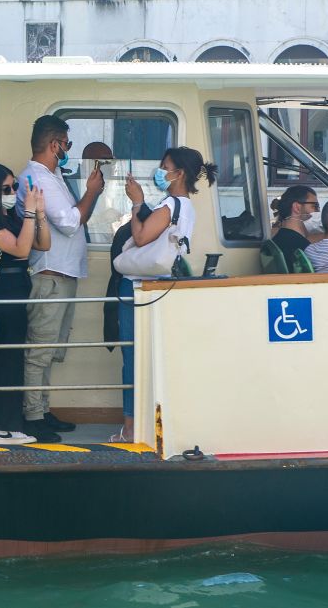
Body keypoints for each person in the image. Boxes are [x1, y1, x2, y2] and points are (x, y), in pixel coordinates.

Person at [117, 147, 217, 442]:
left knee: (131, 356)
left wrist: (137, 204)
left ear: (180, 173)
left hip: (137, 284)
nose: (160, 171)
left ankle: (130, 428)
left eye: (164, 166)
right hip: (158, 284)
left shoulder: (170, 205)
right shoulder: (187, 208)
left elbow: (140, 237)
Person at [16, 114, 104, 441]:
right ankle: (32, 415)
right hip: (49, 276)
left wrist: (90, 195)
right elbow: (69, 222)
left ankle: (42, 408)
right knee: (38, 351)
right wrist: (92, 192)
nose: (69, 149)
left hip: (64, 275)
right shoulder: (34, 178)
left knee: (50, 350)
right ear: (55, 144)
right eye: (67, 144)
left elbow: (76, 219)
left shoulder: (52, 177)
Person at [0, 163, 52, 445]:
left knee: (11, 359)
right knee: (5, 360)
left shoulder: (13, 218)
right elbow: (20, 248)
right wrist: (30, 212)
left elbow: (43, 244)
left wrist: (38, 212)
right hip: (3, 291)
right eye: (6, 189)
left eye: (15, 187)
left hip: (19, 286)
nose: (13, 193)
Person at [269, 185, 319, 269]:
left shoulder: (277, 240)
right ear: (297, 207)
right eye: (315, 206)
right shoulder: (302, 249)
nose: (318, 211)